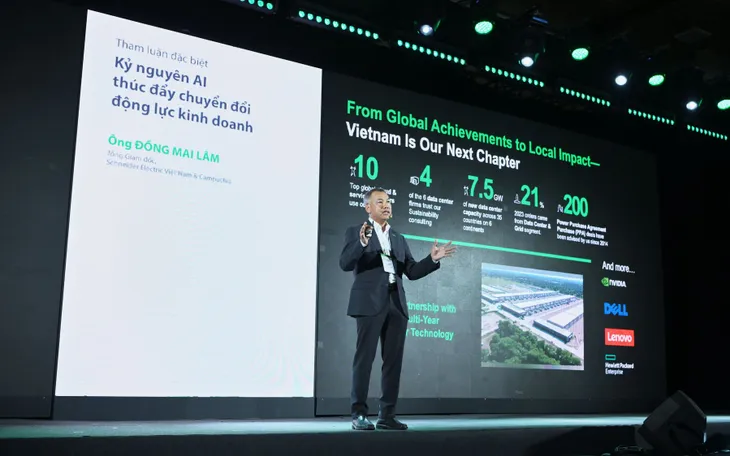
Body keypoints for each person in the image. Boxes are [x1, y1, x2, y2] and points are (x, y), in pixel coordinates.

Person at [339, 187, 456, 431]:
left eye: (388, 201)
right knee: (364, 359)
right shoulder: (357, 232)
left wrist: (432, 259)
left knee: (393, 362)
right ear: (368, 207)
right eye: (379, 202)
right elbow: (345, 263)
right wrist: (362, 242)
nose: (386, 205)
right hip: (369, 302)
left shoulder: (398, 238)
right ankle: (359, 414)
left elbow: (411, 271)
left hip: (396, 302)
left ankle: (387, 415)